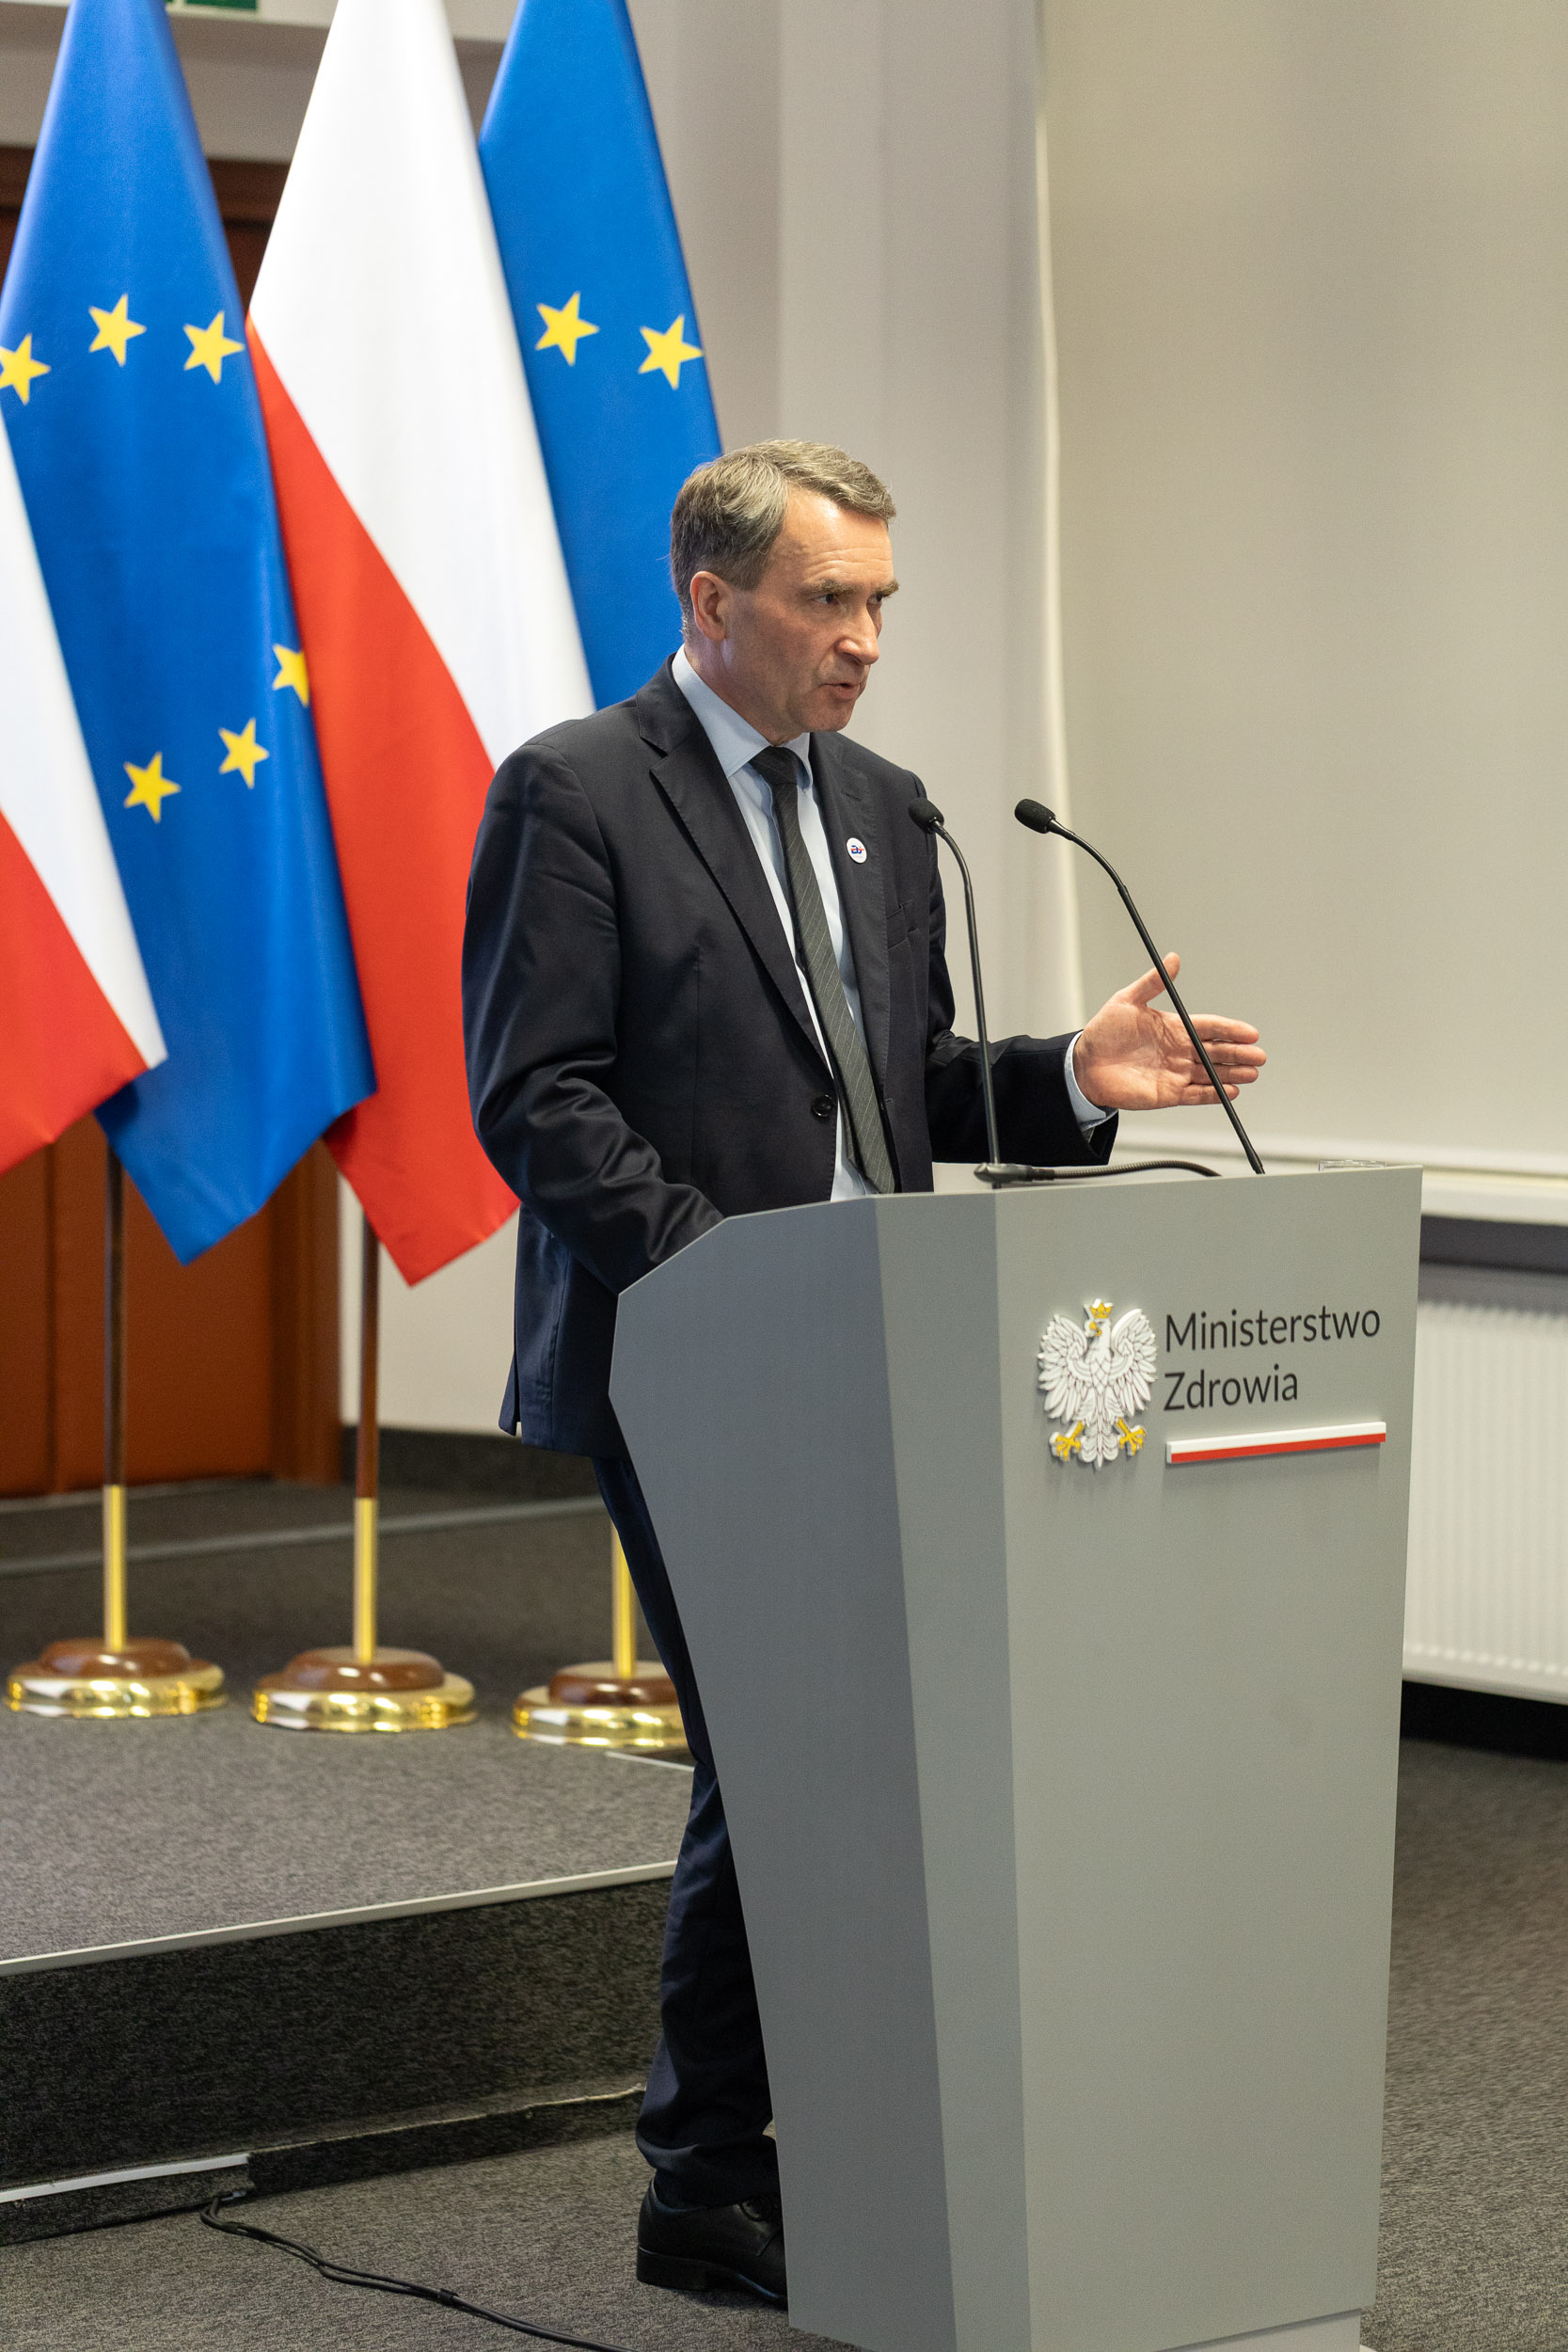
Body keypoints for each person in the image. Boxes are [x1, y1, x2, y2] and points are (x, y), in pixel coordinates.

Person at [462, 440, 1264, 2306]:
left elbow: (899, 1090)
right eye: (829, 599)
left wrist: (1066, 1078)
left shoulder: (883, 810)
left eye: (882, 601)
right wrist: (729, 1281)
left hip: (877, 1355)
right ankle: (704, 2177)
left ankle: (827, 2134)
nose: (867, 639)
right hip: (696, 1360)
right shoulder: (577, 791)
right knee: (776, 1749)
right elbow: (538, 1095)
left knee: (865, 1755)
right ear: (711, 602)